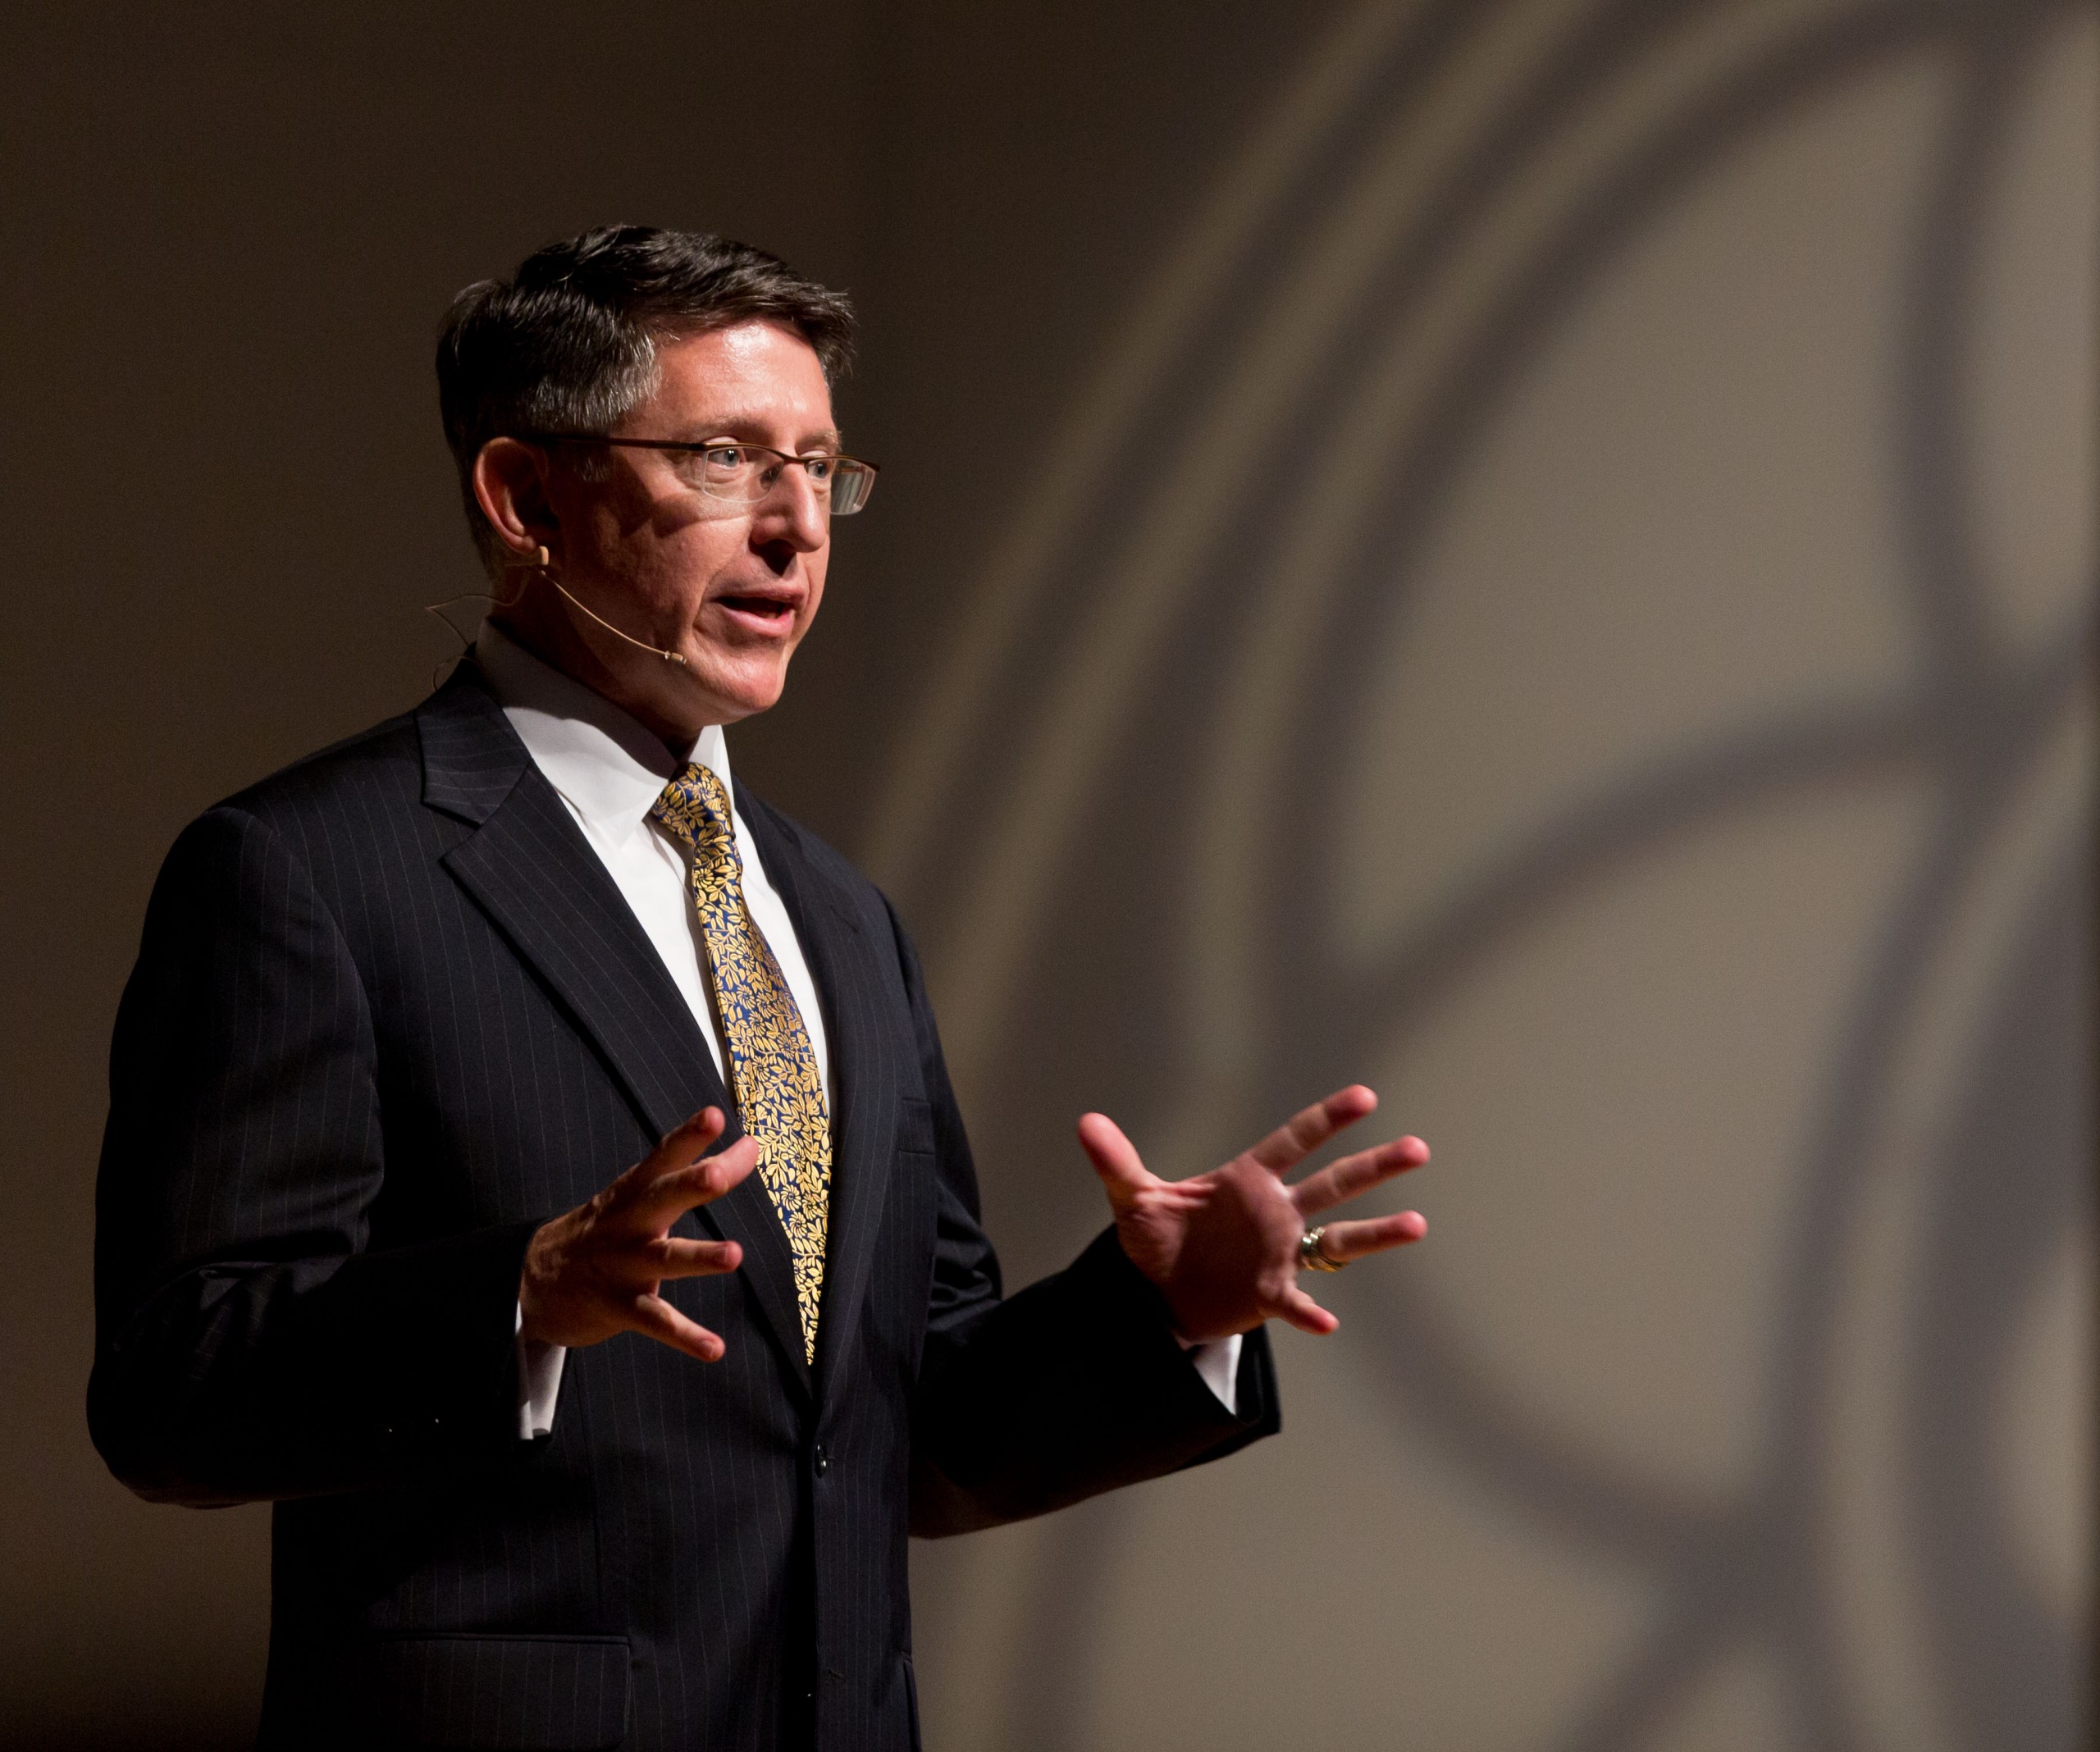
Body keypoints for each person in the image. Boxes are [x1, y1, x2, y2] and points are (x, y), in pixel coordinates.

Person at [89, 226, 1428, 1752]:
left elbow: (910, 1430)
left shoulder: (836, 913)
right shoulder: (307, 872)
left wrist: (1158, 1318)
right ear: (527, 499)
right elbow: (171, 1390)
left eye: (822, 470)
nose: (798, 528)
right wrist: (515, 1299)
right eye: (727, 460)